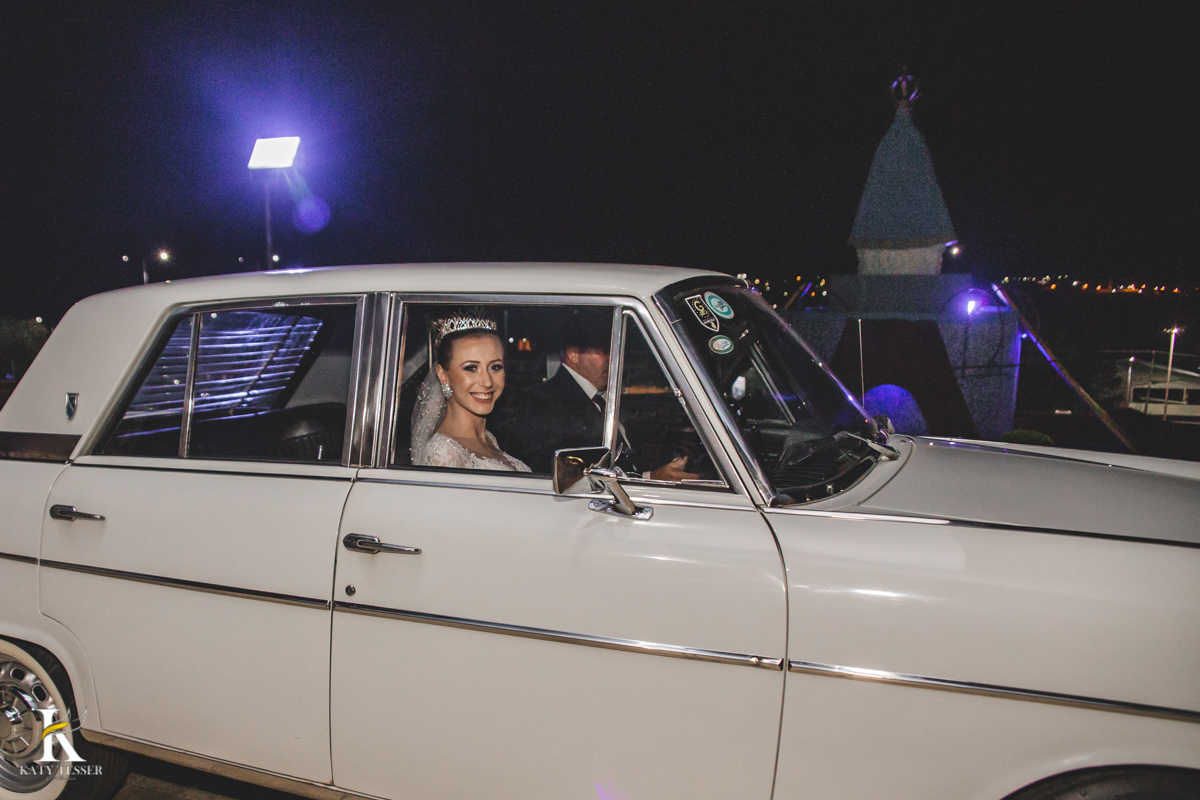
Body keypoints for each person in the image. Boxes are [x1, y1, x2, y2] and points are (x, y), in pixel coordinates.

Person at [500, 311, 699, 480]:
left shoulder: (606, 400)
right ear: (574, 354)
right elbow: (575, 478)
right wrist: (651, 478)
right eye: (604, 351)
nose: (614, 360)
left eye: (615, 351)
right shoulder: (543, 403)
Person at [411, 313, 530, 472]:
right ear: (443, 375)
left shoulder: (489, 438)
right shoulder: (444, 454)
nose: (487, 382)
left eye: (495, 367)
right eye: (471, 368)